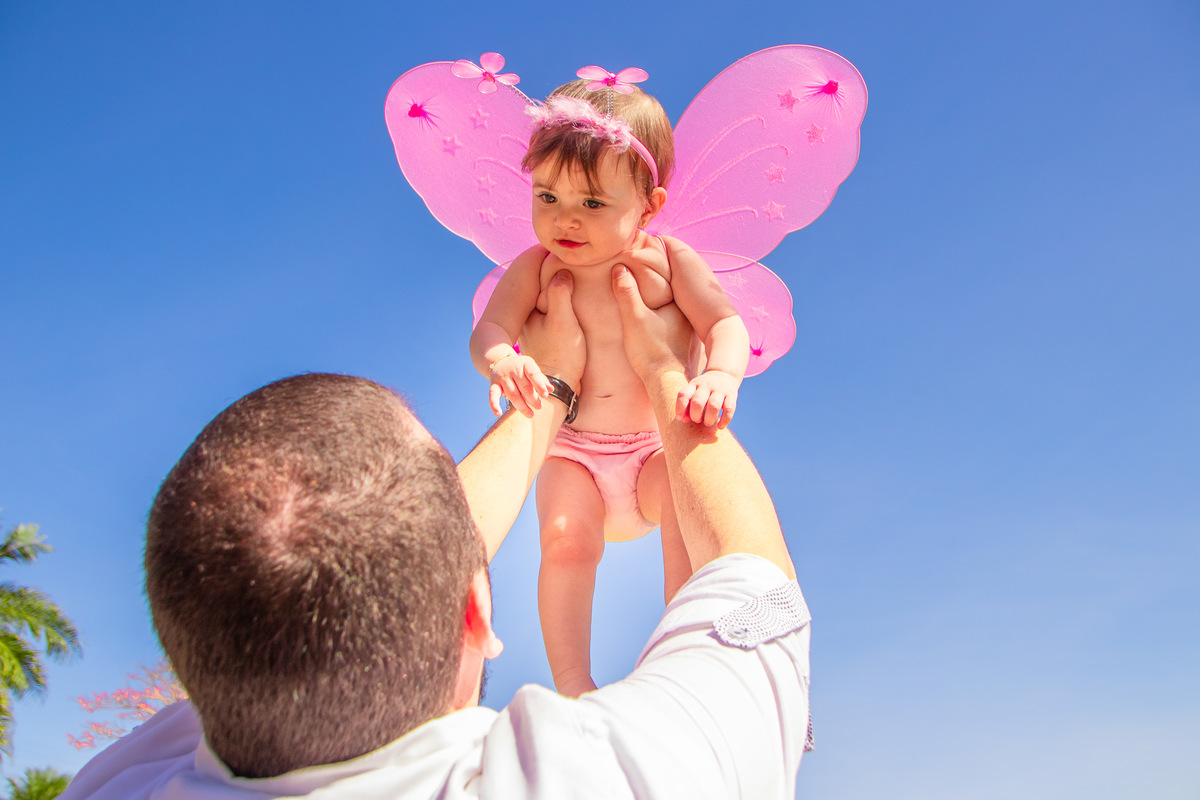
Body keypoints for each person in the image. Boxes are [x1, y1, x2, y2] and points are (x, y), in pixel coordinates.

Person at [60, 267, 811, 800]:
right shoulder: (598, 781)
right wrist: (662, 367)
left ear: (197, 659)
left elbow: (346, 566)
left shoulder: (125, 780)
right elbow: (760, 589)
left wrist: (549, 384)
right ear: (474, 614)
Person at [470, 78, 751, 696]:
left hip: (652, 449)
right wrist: (501, 360)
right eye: (547, 196)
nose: (564, 219)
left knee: (687, 510)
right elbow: (490, 328)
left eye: (593, 203)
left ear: (648, 207)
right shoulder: (535, 267)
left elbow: (725, 323)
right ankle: (574, 682)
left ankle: (683, 651)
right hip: (573, 453)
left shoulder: (670, 261)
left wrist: (720, 375)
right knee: (564, 542)